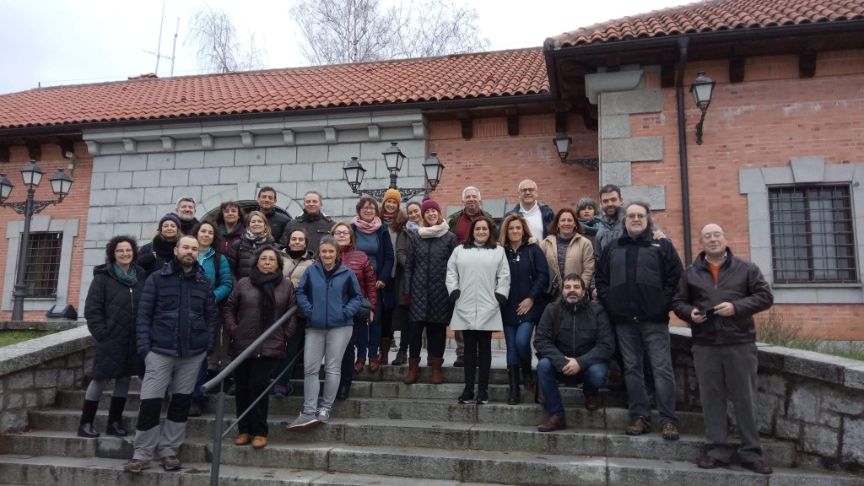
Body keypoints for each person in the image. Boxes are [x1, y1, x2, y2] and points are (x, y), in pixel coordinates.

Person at [672, 224, 774, 474]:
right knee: (711, 398)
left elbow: (765, 296)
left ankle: (751, 452)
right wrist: (690, 313)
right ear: (701, 242)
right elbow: (678, 302)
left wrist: (737, 307)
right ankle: (717, 449)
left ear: (725, 238)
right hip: (705, 344)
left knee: (745, 398)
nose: (713, 239)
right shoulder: (691, 273)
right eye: (707, 236)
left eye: (717, 234)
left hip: (739, 342)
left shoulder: (746, 268)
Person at [125, 235, 218, 474]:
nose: (190, 251)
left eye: (194, 249)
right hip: (159, 351)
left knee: (180, 403)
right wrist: (145, 349)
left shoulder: (203, 282)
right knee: (150, 402)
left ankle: (169, 450)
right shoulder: (157, 279)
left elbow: (211, 317)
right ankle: (142, 453)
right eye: (185, 247)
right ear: (176, 250)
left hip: (192, 353)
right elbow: (143, 316)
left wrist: (207, 346)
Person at [595, 202, 683, 441]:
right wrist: (610, 303)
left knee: (662, 369)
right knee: (632, 369)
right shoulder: (613, 247)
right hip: (623, 321)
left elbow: (675, 278)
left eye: (640, 215)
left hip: (654, 320)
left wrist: (661, 304)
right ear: (625, 220)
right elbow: (601, 279)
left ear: (647, 219)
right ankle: (639, 417)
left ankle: (668, 420)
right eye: (631, 215)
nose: (635, 219)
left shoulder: (661, 245)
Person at [223, 245, 298, 449]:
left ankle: (259, 431)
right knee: (242, 387)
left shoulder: (285, 285)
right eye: (263, 259)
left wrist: (284, 335)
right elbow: (230, 307)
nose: (267, 262)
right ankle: (243, 430)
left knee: (258, 385)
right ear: (256, 261)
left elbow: (292, 313)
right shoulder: (244, 283)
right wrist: (234, 330)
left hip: (270, 345)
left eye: (271, 259)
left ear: (278, 264)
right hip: (243, 344)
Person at [289, 236, 362, 430]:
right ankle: (309, 409)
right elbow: (301, 292)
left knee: (332, 368)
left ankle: (325, 408)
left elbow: (357, 297)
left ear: (337, 253)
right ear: (319, 253)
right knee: (310, 368)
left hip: (341, 327)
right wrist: (310, 311)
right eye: (324, 251)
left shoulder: (347, 273)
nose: (327, 255)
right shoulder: (311, 271)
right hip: (315, 326)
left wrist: (344, 313)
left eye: (331, 251)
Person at [80, 235, 146, 439]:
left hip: (132, 338)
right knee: (99, 378)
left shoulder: (140, 276)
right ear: (113, 254)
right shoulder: (102, 278)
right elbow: (92, 310)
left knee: (124, 379)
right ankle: (85, 423)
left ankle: (114, 422)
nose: (125, 254)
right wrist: (101, 333)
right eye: (120, 251)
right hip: (110, 338)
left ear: (133, 252)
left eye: (128, 250)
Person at [533, 274, 615, 432]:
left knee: (599, 373)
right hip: (560, 366)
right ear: (562, 290)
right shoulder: (552, 309)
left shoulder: (597, 311)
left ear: (584, 291)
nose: (572, 291)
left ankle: (590, 392)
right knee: (543, 365)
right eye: (568, 287)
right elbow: (540, 341)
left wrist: (580, 362)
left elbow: (607, 345)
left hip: (588, 367)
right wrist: (562, 361)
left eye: (577, 287)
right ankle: (557, 415)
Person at [447, 216, 510, 404]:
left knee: (484, 350)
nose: (481, 232)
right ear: (472, 231)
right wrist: (454, 290)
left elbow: (504, 275)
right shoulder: (460, 251)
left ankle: (483, 391)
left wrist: (500, 294)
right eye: (477, 229)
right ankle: (468, 389)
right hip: (464, 304)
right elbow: (451, 272)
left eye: (484, 229)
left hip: (488, 306)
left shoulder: (498, 251)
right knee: (468, 350)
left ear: (490, 231)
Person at [405, 197, 458, 384]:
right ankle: (413, 368)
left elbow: (455, 266)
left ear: (439, 213)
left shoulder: (450, 238)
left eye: (433, 211)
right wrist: (407, 289)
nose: (431, 214)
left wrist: (452, 290)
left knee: (437, 332)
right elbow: (409, 266)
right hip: (418, 291)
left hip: (440, 292)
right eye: (427, 212)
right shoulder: (417, 236)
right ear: (423, 216)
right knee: (415, 331)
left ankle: (436, 368)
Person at [499, 214, 549, 404]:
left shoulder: (533, 249)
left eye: (518, 228)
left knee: (522, 341)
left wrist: (531, 298)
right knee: (511, 347)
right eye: (511, 228)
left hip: (529, 306)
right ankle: (514, 389)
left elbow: (543, 276)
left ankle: (527, 372)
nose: (515, 231)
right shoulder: (501, 251)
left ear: (524, 229)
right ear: (506, 230)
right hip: (507, 306)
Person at [447, 186, 497, 367]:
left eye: (474, 196)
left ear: (480, 199)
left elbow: (496, 243)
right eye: (468, 197)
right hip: (461, 271)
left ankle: (479, 353)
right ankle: (462, 353)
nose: (471, 199)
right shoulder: (454, 220)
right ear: (463, 200)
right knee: (461, 311)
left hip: (485, 272)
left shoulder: (490, 220)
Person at [188, 221, 233, 417]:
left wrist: (211, 297)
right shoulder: (186, 254)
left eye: (210, 232)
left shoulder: (219, 259)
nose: (206, 234)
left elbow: (226, 283)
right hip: (181, 310)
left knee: (201, 354)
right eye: (202, 231)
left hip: (206, 311)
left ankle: (195, 397)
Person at [332, 223, 377, 399]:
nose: (342, 235)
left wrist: (372, 307)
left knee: (348, 348)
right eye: (338, 232)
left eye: (345, 233)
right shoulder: (326, 254)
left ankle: (344, 384)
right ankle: (332, 384)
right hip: (331, 310)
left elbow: (371, 285)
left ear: (351, 236)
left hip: (354, 309)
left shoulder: (361, 256)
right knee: (334, 350)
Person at [350, 195, 394, 372]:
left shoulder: (382, 230)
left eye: (372, 208)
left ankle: (373, 355)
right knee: (360, 319)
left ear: (376, 211)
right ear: (359, 211)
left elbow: (389, 256)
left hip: (376, 282)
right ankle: (360, 356)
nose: (368, 210)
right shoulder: (352, 229)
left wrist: (383, 278)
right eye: (365, 208)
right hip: (356, 281)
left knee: (375, 319)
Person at [271, 228, 315, 398]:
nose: (296, 242)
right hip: (275, 309)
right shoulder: (277, 258)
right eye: (294, 239)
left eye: (300, 239)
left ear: (305, 243)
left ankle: (282, 383)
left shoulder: (312, 264)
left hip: (298, 312)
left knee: (291, 348)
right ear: (288, 241)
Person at [540, 208, 595, 302]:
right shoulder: (546, 243)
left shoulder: (585, 243)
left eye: (570, 220)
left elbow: (589, 270)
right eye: (563, 220)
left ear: (575, 224)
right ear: (557, 223)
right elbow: (540, 269)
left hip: (576, 296)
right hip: (552, 297)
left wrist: (580, 289)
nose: (566, 223)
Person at [379, 188, 405, 367]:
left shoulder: (403, 223)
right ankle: (384, 352)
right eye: (388, 201)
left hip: (400, 274)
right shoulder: (377, 222)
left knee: (400, 313)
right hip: (384, 275)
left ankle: (402, 351)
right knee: (384, 313)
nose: (390, 204)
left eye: (394, 202)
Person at [391, 200, 419, 366]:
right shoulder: (404, 233)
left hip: (428, 282)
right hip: (408, 280)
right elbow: (400, 254)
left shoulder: (430, 230)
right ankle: (402, 351)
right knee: (407, 319)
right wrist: (416, 267)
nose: (414, 215)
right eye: (411, 212)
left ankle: (430, 355)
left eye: (417, 211)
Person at [227, 211, 275, 280]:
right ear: (248, 226)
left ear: (265, 226)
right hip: (243, 288)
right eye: (253, 222)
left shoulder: (273, 246)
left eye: (259, 221)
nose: (256, 224)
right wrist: (237, 287)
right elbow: (230, 271)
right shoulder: (237, 245)